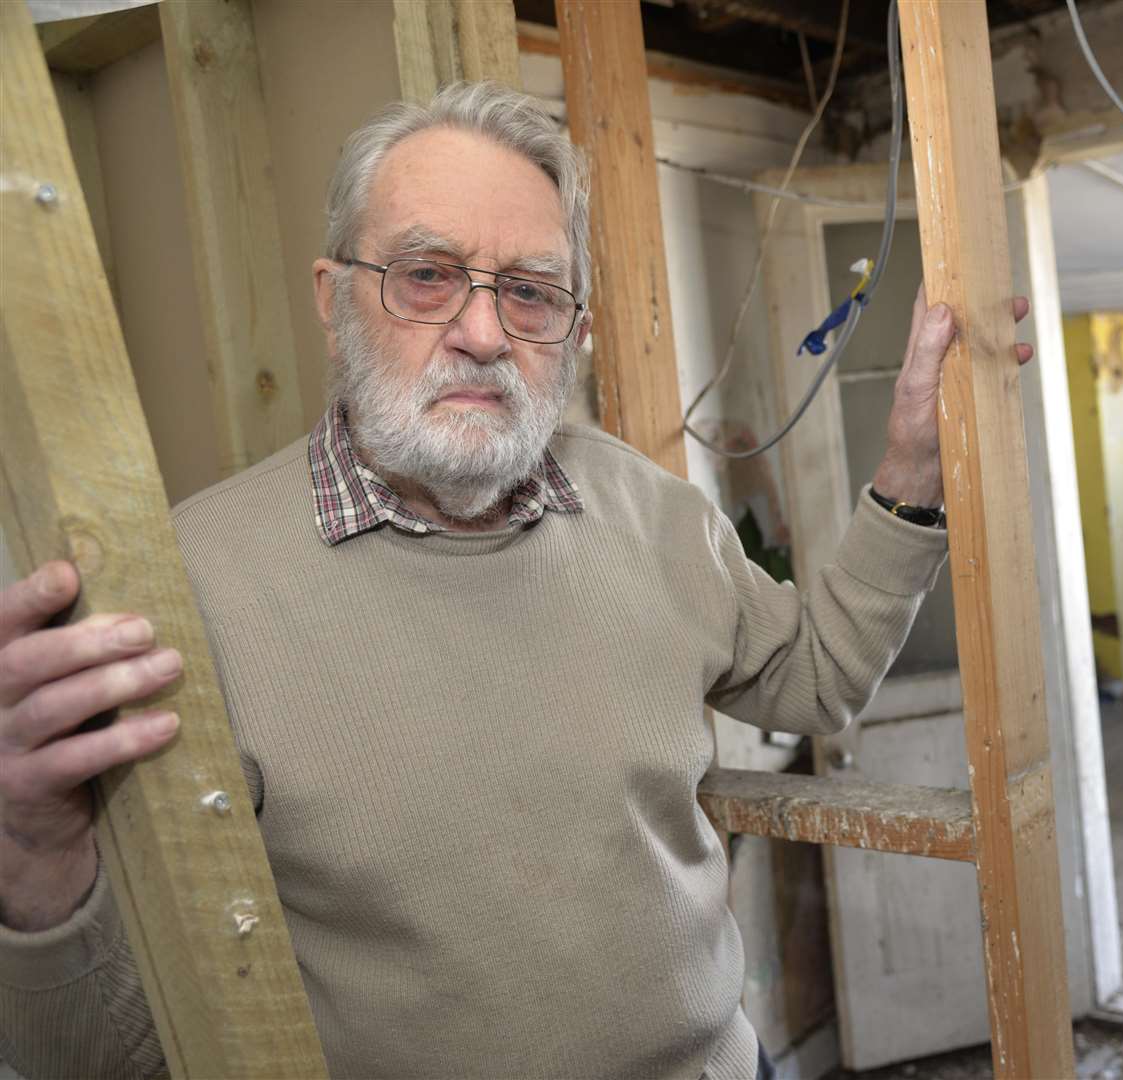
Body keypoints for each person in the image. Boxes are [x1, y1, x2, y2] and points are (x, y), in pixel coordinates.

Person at [0, 82, 1031, 1078]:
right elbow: (105, 1056)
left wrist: (908, 474)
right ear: (335, 299)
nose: (483, 334)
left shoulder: (651, 510)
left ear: (572, 334)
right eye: (427, 274)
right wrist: (35, 857)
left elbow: (815, 679)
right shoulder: (190, 599)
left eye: (529, 292)